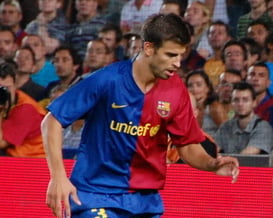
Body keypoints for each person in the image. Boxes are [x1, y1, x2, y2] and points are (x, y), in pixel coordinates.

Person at [41, 14, 239, 218]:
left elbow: (187, 145)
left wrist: (212, 163)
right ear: (149, 48)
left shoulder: (176, 90)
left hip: (144, 202)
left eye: (180, 55)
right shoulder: (107, 79)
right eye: (171, 55)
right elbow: (52, 121)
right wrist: (58, 177)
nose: (178, 63)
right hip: (96, 194)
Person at [0, 62, 46, 157]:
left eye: (6, 88)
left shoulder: (26, 108)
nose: (2, 93)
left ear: (15, 85)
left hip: (34, 162)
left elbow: (1, 143)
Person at [215, 81, 273, 154]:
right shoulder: (225, 127)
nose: (240, 104)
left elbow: (246, 157)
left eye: (245, 100)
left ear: (254, 103)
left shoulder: (264, 128)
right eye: (236, 100)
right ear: (231, 103)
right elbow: (214, 151)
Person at [186, 69, 226, 138]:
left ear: (208, 88)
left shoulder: (214, 107)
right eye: (190, 85)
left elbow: (228, 132)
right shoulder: (186, 109)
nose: (194, 89)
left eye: (198, 85)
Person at [204, 20, 232, 87]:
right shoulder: (205, 63)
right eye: (212, 33)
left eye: (220, 33)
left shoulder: (231, 62)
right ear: (208, 38)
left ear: (228, 38)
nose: (215, 36)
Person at [246, 61, 273, 127]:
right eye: (252, 74)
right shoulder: (238, 103)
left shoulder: (271, 107)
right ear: (246, 80)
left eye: (261, 75)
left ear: (268, 83)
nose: (255, 79)